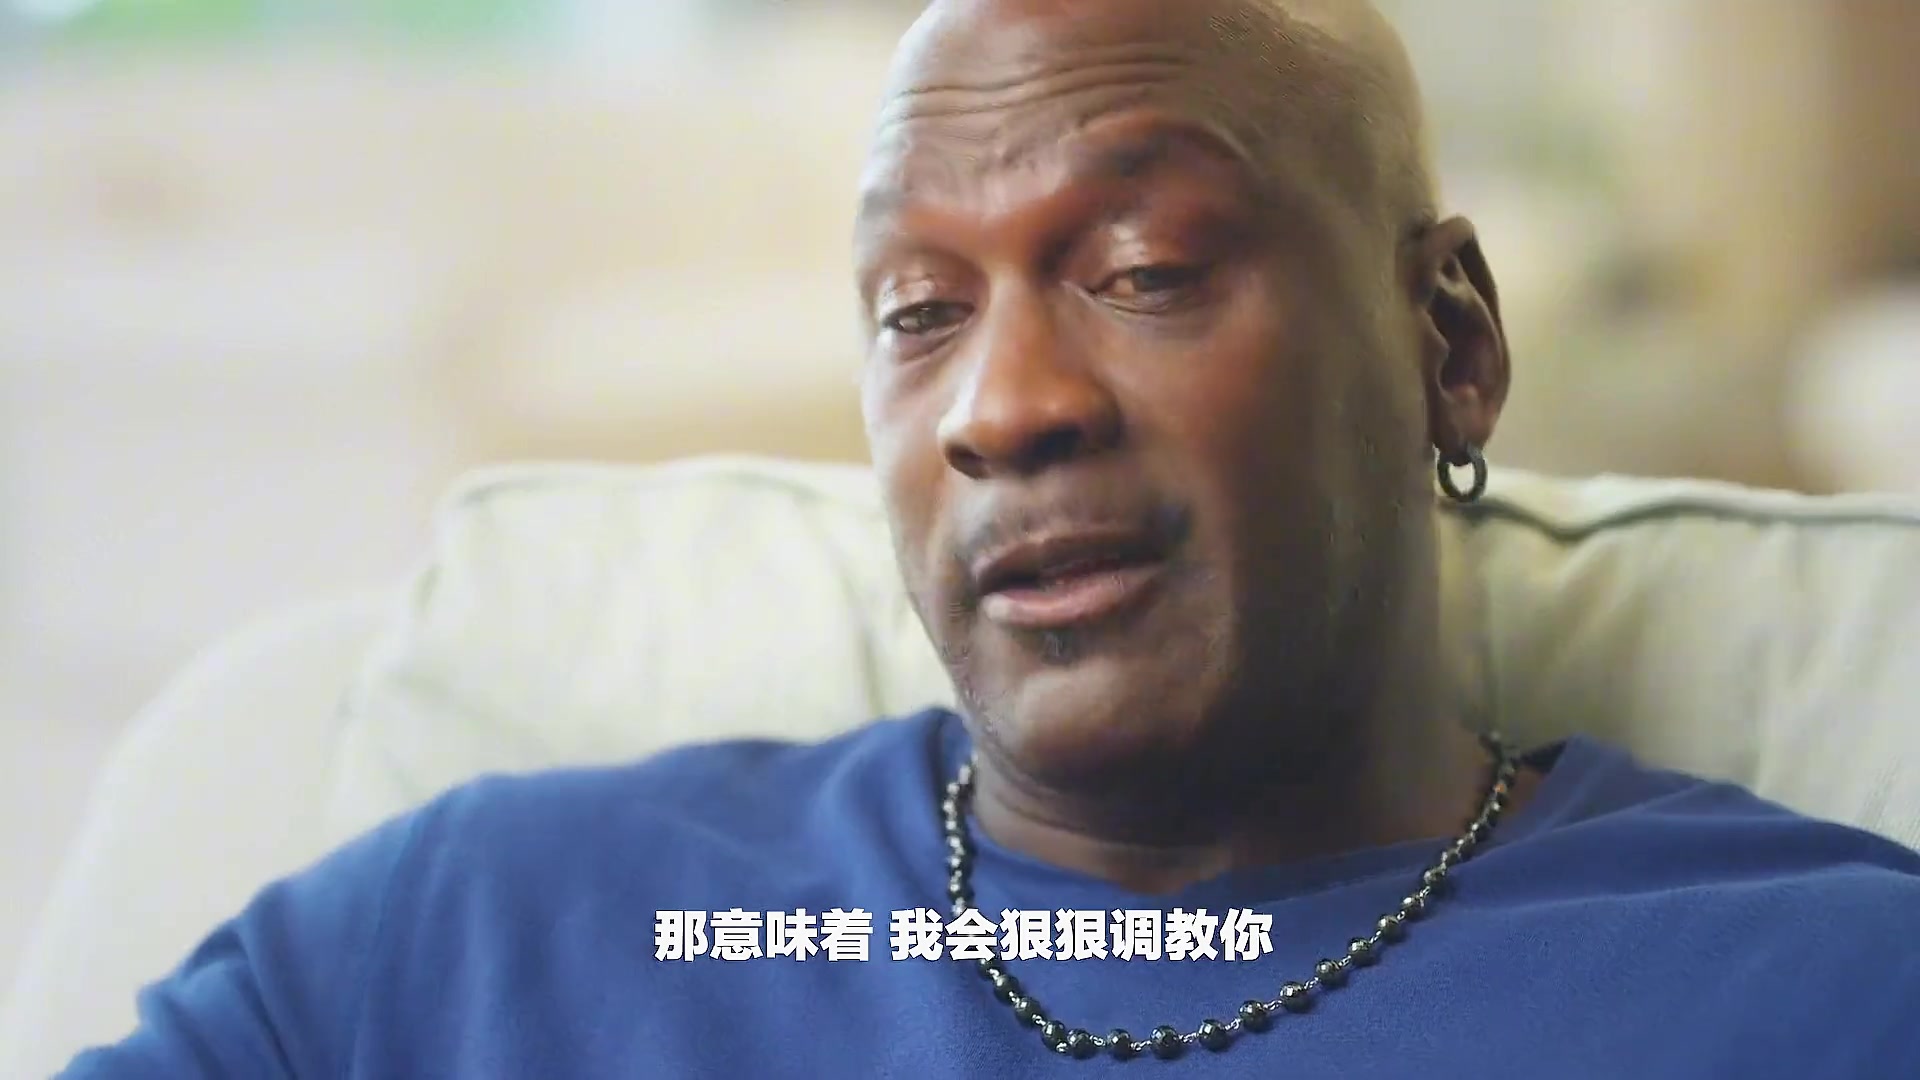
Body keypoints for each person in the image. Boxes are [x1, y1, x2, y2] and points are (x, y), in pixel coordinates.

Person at [61, 1, 1920, 1077]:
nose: (1001, 405)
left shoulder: (1830, 989)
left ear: (1451, 346)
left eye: (1142, 268)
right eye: (917, 312)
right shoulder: (473, 931)